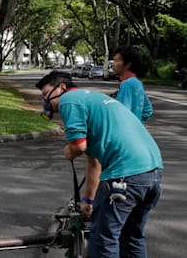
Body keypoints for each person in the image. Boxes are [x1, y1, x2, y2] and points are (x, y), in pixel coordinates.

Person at [36, 71, 163, 257]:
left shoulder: (69, 100)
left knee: (103, 239)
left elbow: (79, 146)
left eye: (46, 94)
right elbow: (93, 161)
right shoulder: (94, 99)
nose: (46, 101)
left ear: (61, 87)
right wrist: (88, 201)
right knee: (132, 236)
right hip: (153, 173)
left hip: (125, 176)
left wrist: (68, 151)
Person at [112, 46, 153, 123]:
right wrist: (137, 125)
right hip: (134, 132)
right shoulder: (137, 83)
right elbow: (148, 110)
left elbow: (122, 114)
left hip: (124, 132)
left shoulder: (126, 85)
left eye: (117, 61)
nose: (113, 64)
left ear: (127, 64)